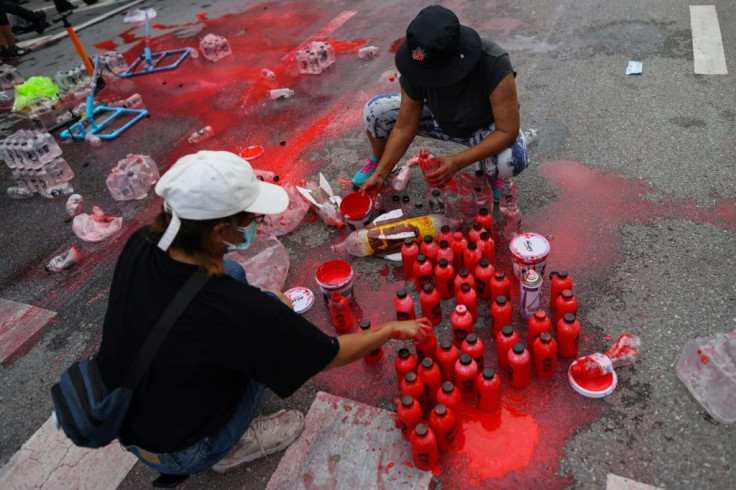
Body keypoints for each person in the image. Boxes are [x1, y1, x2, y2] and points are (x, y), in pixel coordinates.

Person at [95, 150, 431, 477]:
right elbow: (327, 355)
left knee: (235, 275)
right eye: (253, 219)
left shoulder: (145, 242)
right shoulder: (237, 311)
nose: (259, 224)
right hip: (178, 449)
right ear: (217, 232)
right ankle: (225, 447)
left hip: (129, 407)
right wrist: (388, 330)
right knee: (270, 341)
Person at [355, 5, 531, 204]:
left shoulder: (493, 62)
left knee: (513, 158)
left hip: (482, 129)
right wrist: (381, 174)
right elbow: (404, 126)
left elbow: (508, 130)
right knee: (374, 111)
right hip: (438, 118)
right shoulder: (418, 62)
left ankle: (491, 171)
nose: (425, 78)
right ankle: (379, 163)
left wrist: (457, 161)